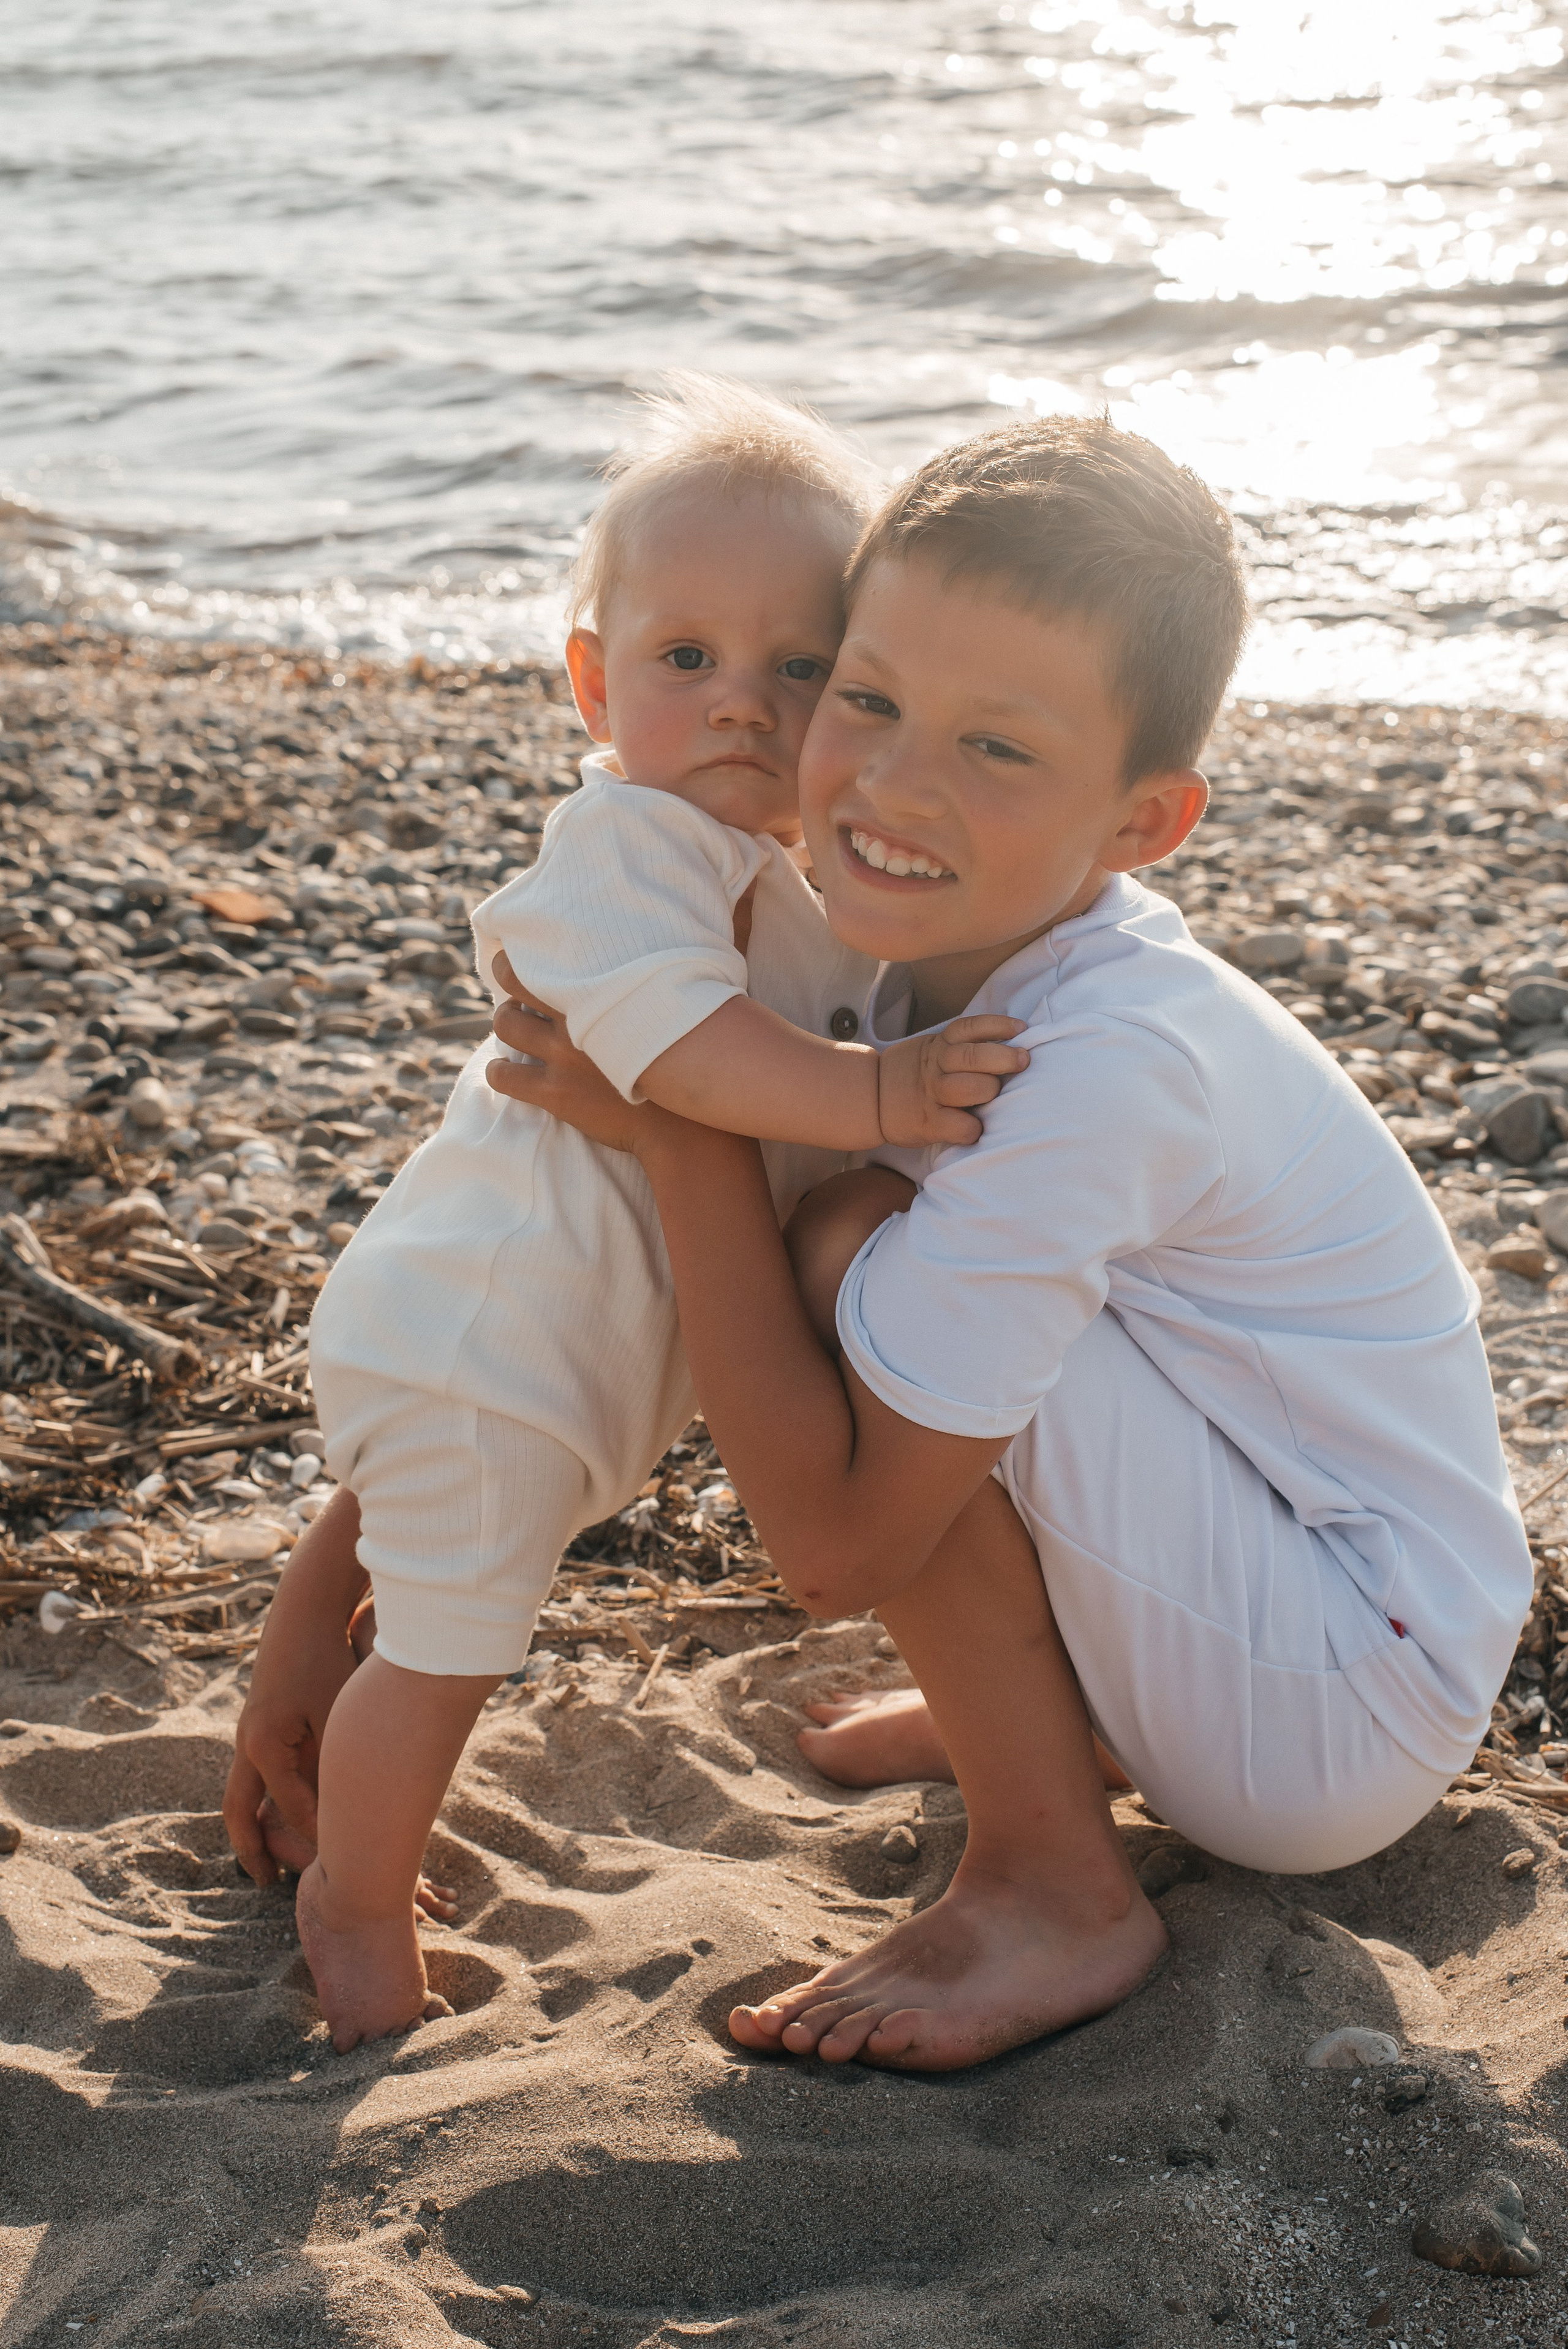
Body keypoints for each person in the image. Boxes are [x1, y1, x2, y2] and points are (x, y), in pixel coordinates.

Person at [485, 415, 1532, 2072]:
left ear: (1143, 822)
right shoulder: (947, 949)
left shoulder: (1101, 1065)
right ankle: (1067, 1715)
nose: (895, 784)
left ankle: (1055, 1878)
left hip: (1343, 1701)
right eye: (867, 697)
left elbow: (833, 1550)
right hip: (1294, 1594)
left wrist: (681, 1124)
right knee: (896, 1253)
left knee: (851, 1239)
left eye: (998, 748)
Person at [224, 377, 1027, 2051]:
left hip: (530, 1359)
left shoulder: (791, 883)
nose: (741, 702)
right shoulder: (631, 844)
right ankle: (353, 1904)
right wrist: (883, 1096)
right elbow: (682, 1051)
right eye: (688, 658)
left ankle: (320, 1738)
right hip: (483, 1332)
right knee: (445, 1652)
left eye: (799, 669)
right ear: (595, 683)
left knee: (444, 1571)